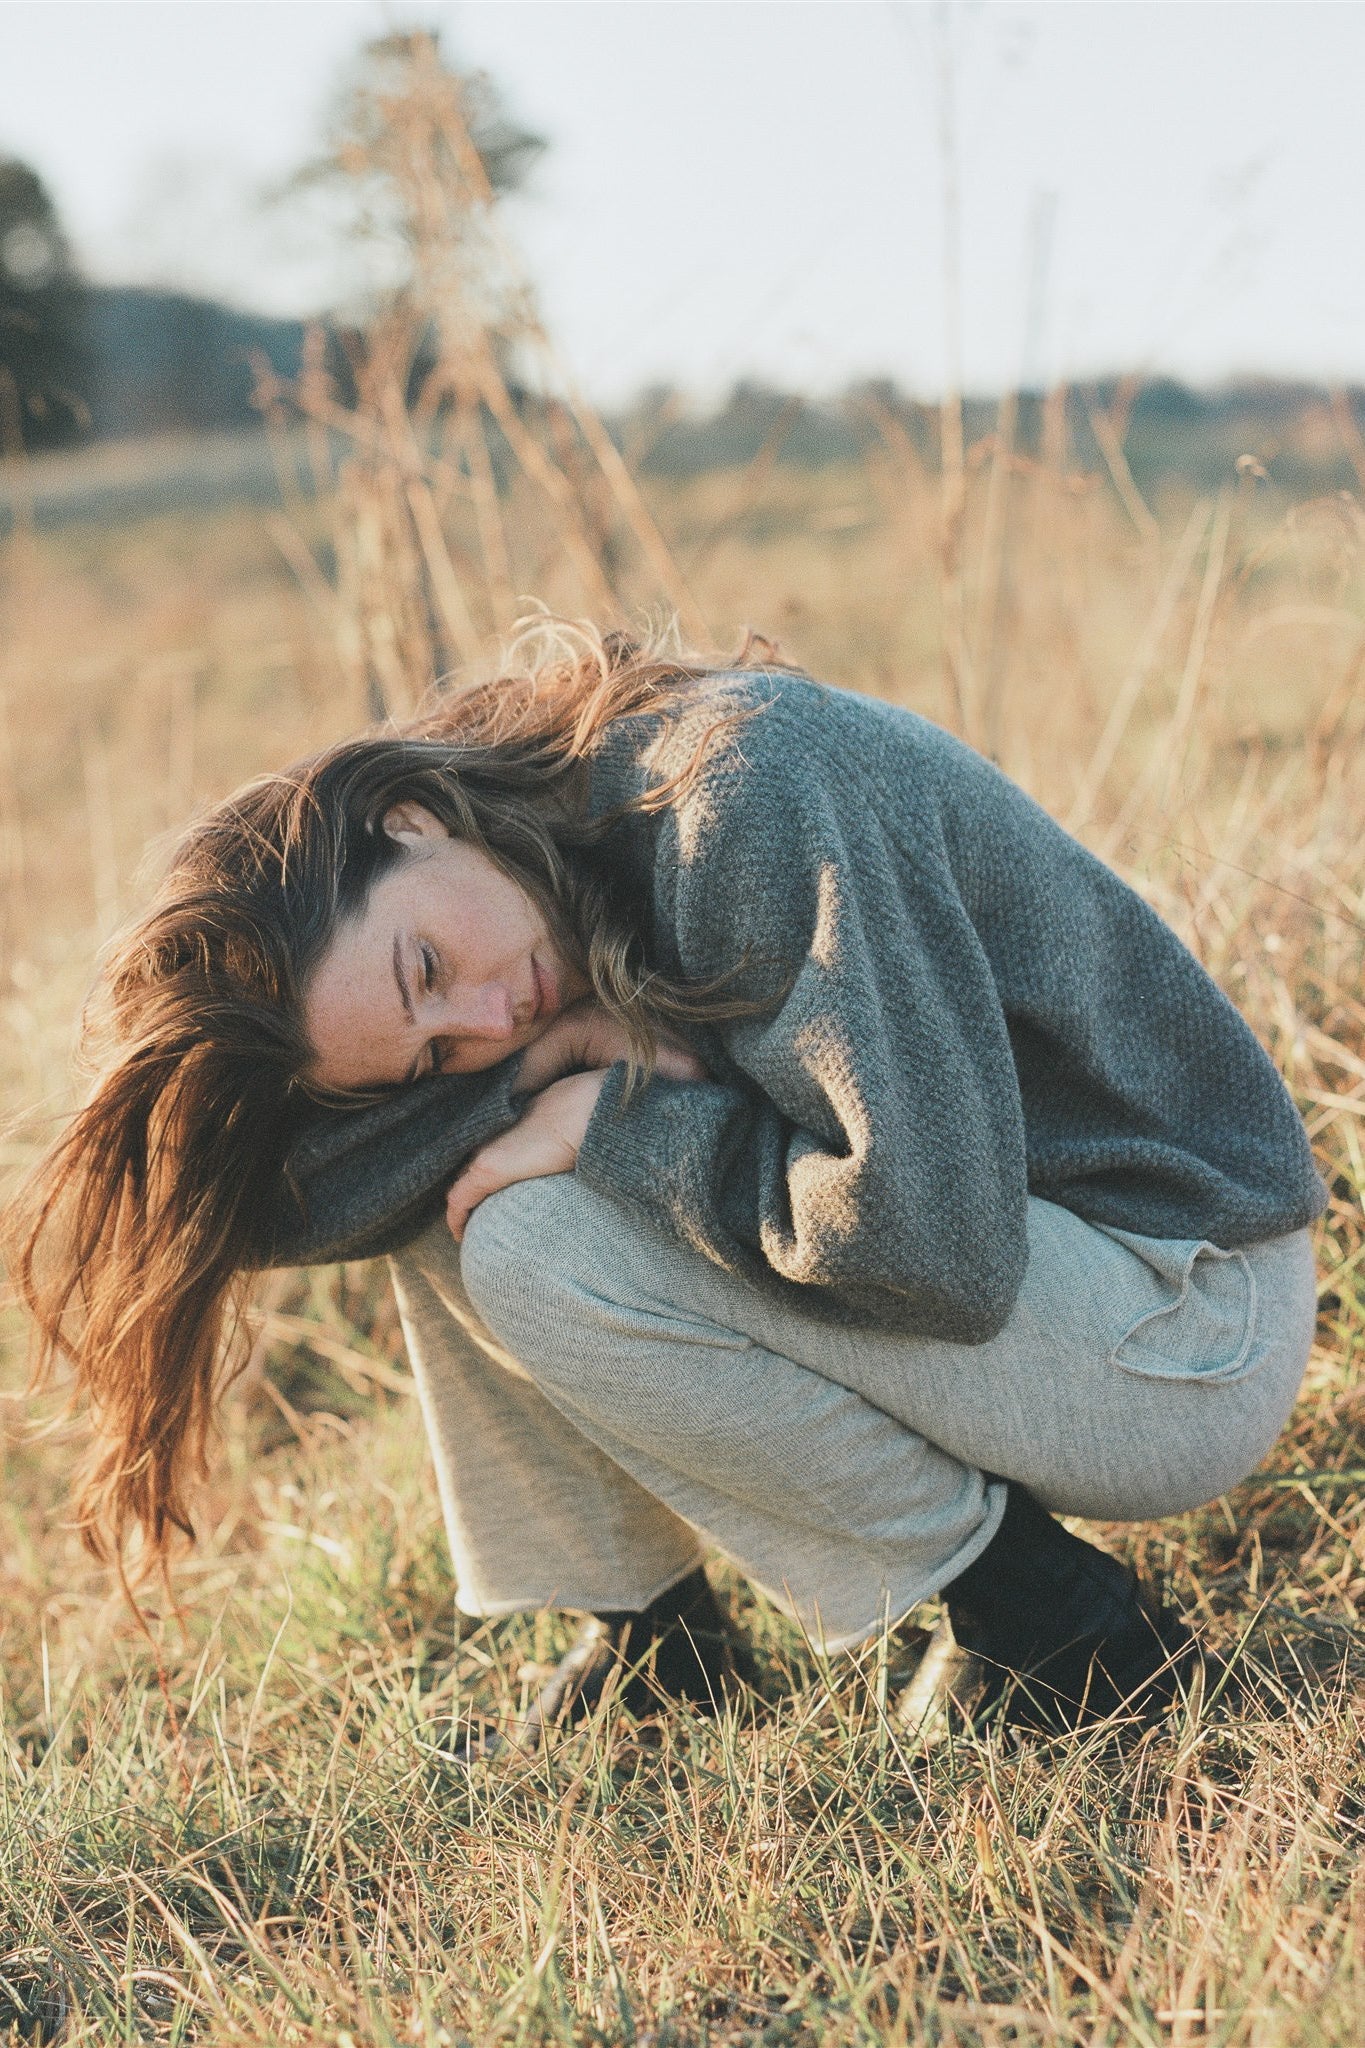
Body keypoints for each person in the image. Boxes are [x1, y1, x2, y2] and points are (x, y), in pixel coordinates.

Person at [9, 630, 1324, 1743]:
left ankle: (1053, 1627)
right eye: (433, 1046)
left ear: (404, 820)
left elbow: (934, 1248)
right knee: (460, 1183)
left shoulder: (740, 802)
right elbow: (297, 1200)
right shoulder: (521, 875)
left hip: (1180, 1320)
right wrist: (522, 1077)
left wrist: (614, 1117)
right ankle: (654, 1646)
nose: (484, 1012)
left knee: (527, 1229)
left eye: (426, 967)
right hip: (1064, 1297)